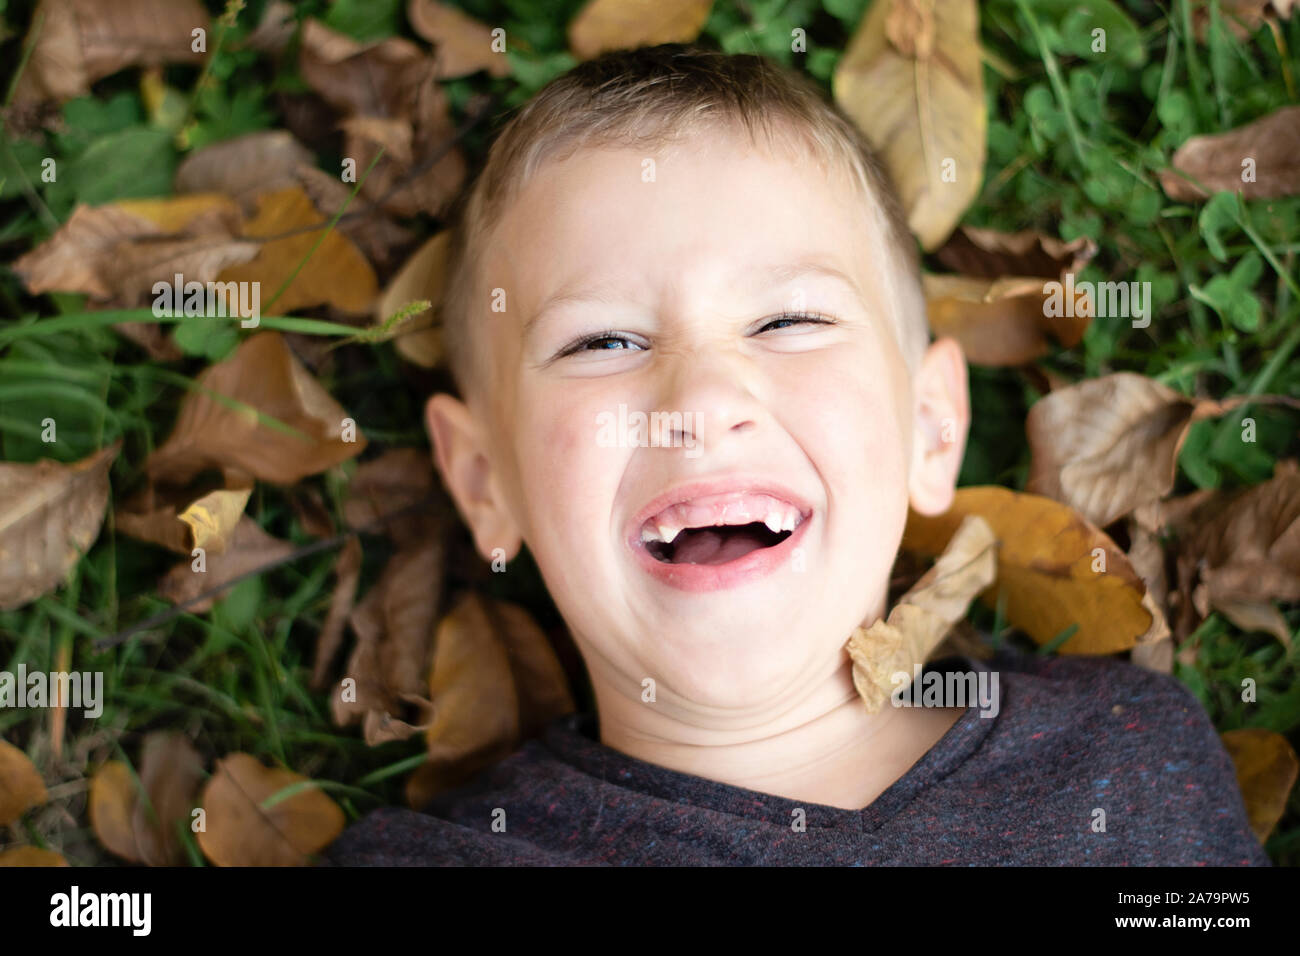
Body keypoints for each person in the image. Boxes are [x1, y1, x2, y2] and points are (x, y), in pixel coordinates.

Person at [322, 44, 1267, 866]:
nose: (702, 400)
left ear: (932, 427)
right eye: (601, 342)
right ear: (487, 481)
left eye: (789, 320)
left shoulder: (1125, 756)